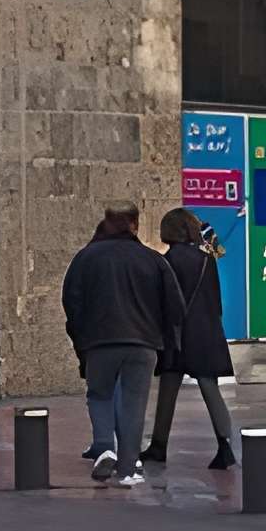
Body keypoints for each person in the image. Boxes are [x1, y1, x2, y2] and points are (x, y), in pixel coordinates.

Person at [62, 200, 185, 486]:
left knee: (99, 395)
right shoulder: (153, 260)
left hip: (100, 341)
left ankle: (105, 446)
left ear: (106, 222)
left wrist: (81, 338)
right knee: (134, 403)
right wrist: (165, 342)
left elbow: (71, 302)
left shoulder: (86, 258)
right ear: (135, 224)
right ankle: (128, 468)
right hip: (143, 343)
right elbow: (175, 307)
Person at [141, 209, 237, 470]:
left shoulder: (166, 262)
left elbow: (163, 302)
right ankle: (225, 445)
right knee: (210, 387)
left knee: (168, 388)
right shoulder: (207, 260)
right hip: (205, 331)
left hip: (176, 334)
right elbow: (216, 300)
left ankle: (158, 445)